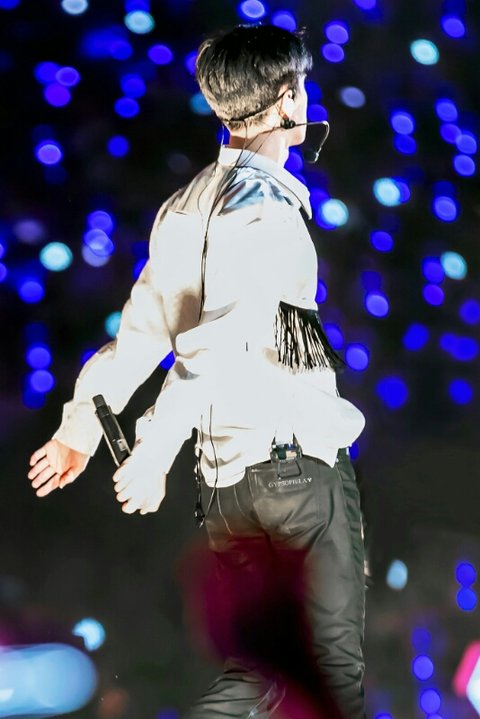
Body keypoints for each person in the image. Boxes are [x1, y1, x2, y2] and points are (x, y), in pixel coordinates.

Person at [28, 23, 367, 719]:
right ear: (286, 100)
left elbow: (139, 336)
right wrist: (152, 452)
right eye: (302, 86)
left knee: (258, 677)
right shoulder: (263, 211)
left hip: (227, 484)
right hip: (294, 472)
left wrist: (79, 431)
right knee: (330, 673)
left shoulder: (186, 206)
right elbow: (216, 347)